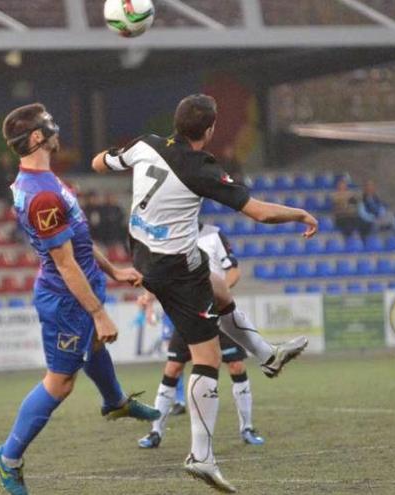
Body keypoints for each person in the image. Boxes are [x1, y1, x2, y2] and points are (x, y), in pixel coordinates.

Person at [92, 93, 317, 492]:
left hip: (145, 251)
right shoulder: (202, 169)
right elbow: (260, 213)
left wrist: (117, 157)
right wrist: (299, 213)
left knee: (219, 288)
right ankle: (201, 456)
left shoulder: (146, 143)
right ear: (209, 130)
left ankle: (268, 355)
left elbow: (98, 163)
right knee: (208, 359)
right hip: (175, 269)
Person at [0, 103, 160, 495]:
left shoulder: (44, 181)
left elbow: (77, 238)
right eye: (49, 125)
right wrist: (98, 312)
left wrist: (114, 271)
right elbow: (65, 263)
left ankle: (114, 401)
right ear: (36, 138)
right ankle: (8, 456)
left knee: (95, 344)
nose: (56, 128)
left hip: (80, 284)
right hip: (65, 298)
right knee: (61, 382)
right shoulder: (42, 194)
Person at [137, 223, 264, 450]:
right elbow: (160, 273)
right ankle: (155, 432)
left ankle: (247, 427)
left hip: (216, 310)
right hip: (187, 313)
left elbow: (233, 270)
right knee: (173, 368)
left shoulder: (214, 234)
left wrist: (218, 291)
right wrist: (148, 295)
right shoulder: (172, 235)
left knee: (235, 365)